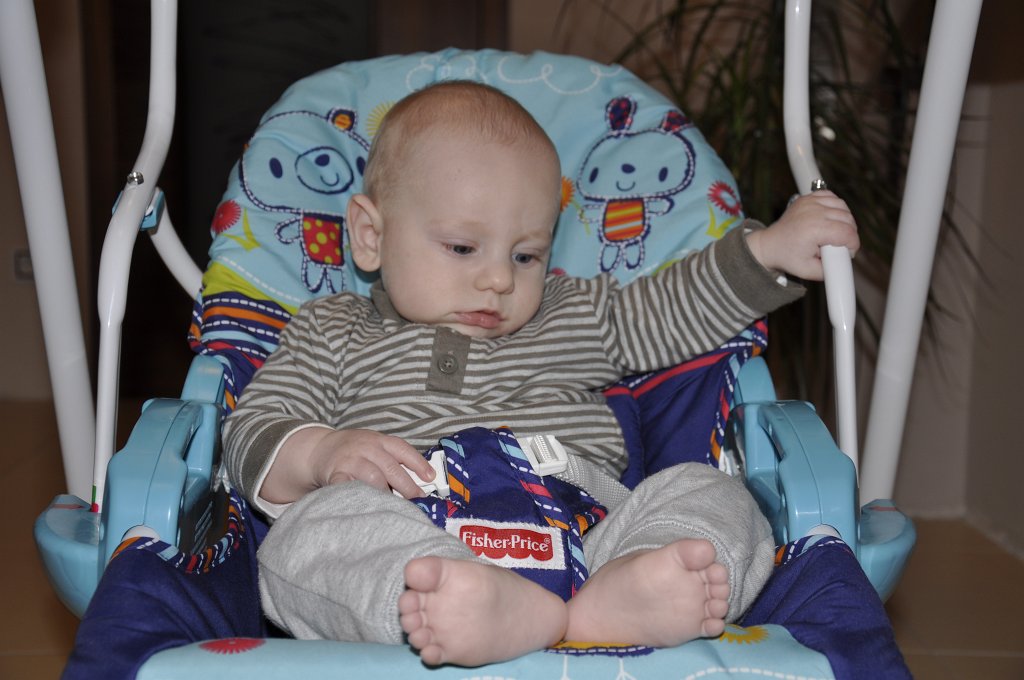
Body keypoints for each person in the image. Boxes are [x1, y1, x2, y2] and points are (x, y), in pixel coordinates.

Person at [222, 80, 859, 667]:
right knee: (305, 535)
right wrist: (323, 451)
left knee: (711, 491)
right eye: (463, 247)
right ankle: (461, 602)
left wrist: (769, 251)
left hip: (585, 533)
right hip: (411, 528)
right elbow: (253, 427)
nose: (499, 278)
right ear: (370, 235)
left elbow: (669, 308)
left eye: (526, 254)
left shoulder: (570, 314)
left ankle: (628, 592)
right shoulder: (331, 330)